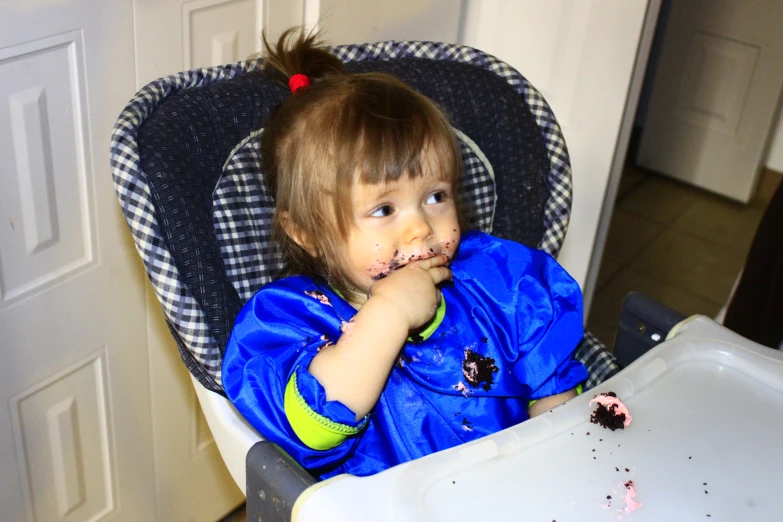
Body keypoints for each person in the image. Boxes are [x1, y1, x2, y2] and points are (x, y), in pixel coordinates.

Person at [222, 28, 588, 480]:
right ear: (307, 233)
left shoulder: (502, 283)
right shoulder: (286, 321)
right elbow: (313, 430)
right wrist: (389, 313)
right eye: (384, 208)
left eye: (436, 196)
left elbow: (554, 395)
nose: (420, 227)